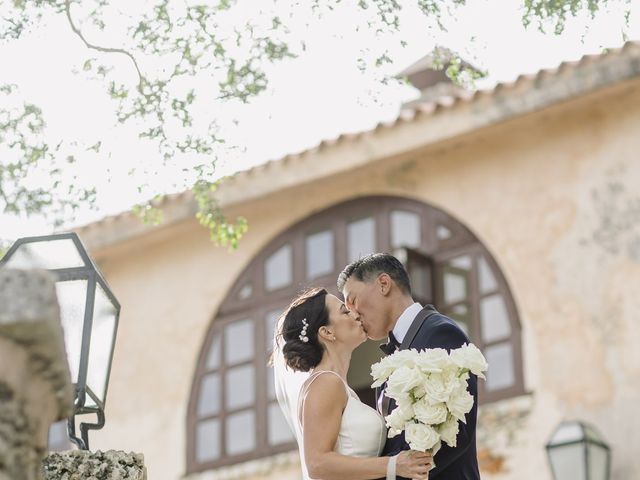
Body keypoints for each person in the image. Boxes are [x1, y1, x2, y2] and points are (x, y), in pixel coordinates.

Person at [338, 253, 480, 480]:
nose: (353, 313)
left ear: (384, 284)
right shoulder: (388, 360)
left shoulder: (439, 332)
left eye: (352, 300)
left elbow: (455, 432)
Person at [273, 287, 433, 480]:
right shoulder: (325, 383)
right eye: (344, 311)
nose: (356, 314)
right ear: (327, 332)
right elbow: (317, 463)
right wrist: (394, 465)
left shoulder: (337, 385)